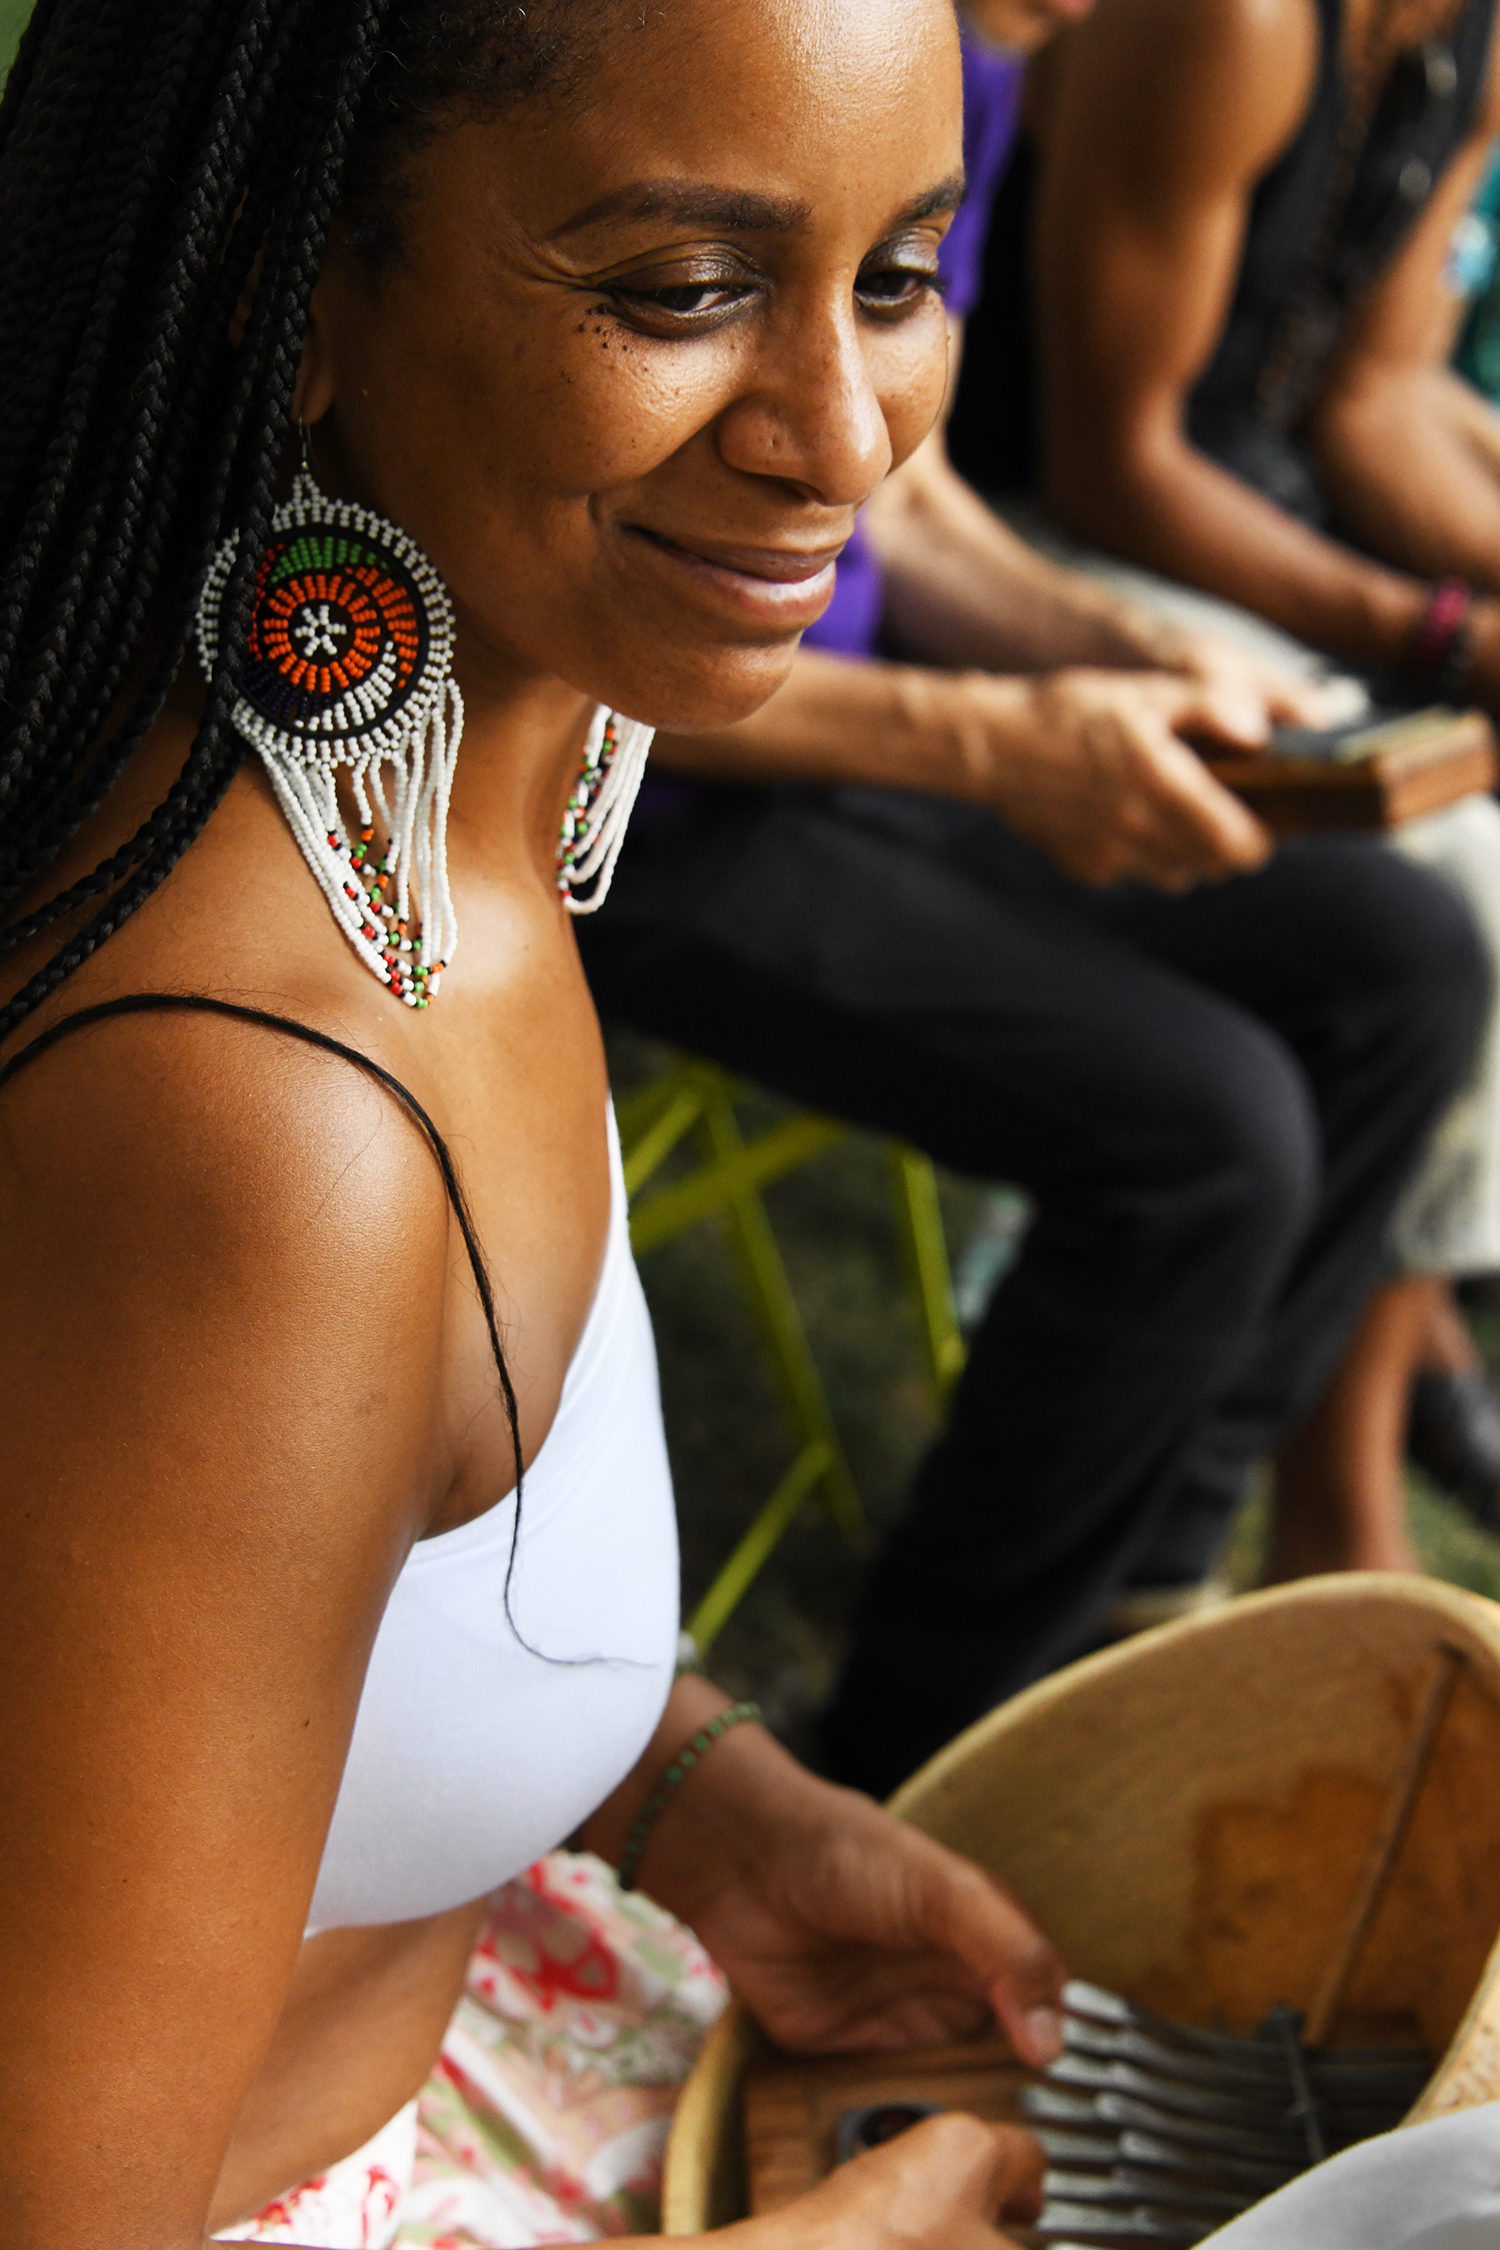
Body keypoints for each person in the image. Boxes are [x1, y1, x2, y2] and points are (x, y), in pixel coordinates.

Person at [0, 3, 1073, 2246]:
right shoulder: (263, 1123)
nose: (846, 432)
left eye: (897, 274)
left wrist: (693, 1798)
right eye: (682, 290)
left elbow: (271, 1616)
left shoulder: (450, 798)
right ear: (291, 284)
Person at [577, 0, 1490, 1799]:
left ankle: (1151, 1581)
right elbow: (569, 618)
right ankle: (923, 1757)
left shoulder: (968, 71)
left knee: (1403, 952)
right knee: (1209, 1129)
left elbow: (907, 509)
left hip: (835, 739)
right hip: (636, 802)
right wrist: (996, 741)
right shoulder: (745, 49)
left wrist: (1115, 653)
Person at [957, 0, 1500, 1558]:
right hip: (1025, 555)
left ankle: (1331, 1438)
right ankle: (1323, 1486)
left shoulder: (1471, 44)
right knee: (1463, 887)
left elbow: (1374, 402)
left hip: (1245, 546)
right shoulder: (1236, 23)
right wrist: (1443, 634)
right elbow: (1111, 466)